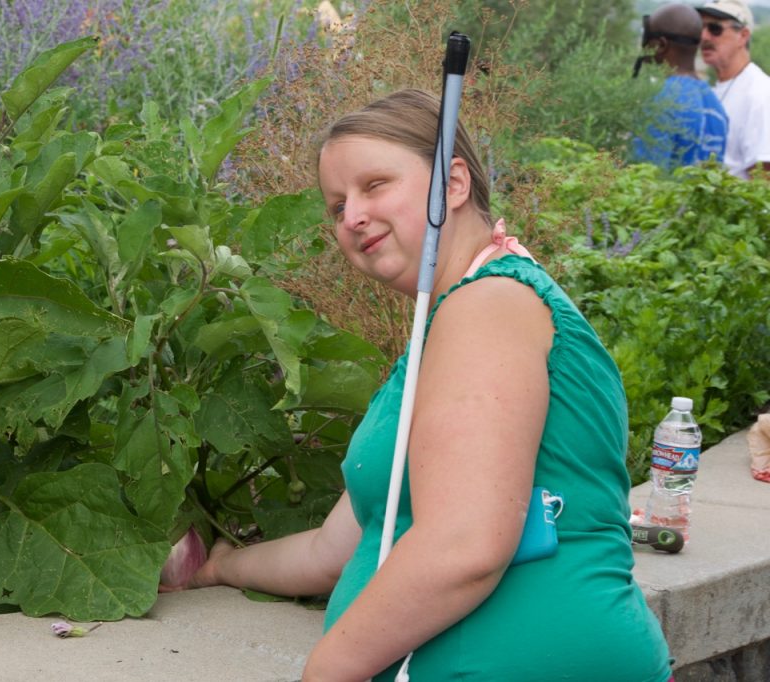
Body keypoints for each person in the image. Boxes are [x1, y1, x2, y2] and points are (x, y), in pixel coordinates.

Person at [189, 89, 673, 681]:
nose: (352, 216)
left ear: (454, 184)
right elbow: (331, 552)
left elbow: (464, 546)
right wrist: (223, 566)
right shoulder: (444, 331)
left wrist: (327, 672)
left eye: (374, 185)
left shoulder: (490, 305)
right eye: (336, 205)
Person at [632, 3, 728, 169]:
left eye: (648, 39)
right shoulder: (716, 106)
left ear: (661, 45)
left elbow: (643, 178)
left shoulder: (660, 100)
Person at [698, 0, 770, 179]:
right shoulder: (714, 90)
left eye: (715, 29)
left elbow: (764, 178)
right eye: (701, 28)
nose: (704, 36)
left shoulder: (760, 93)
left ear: (743, 36)